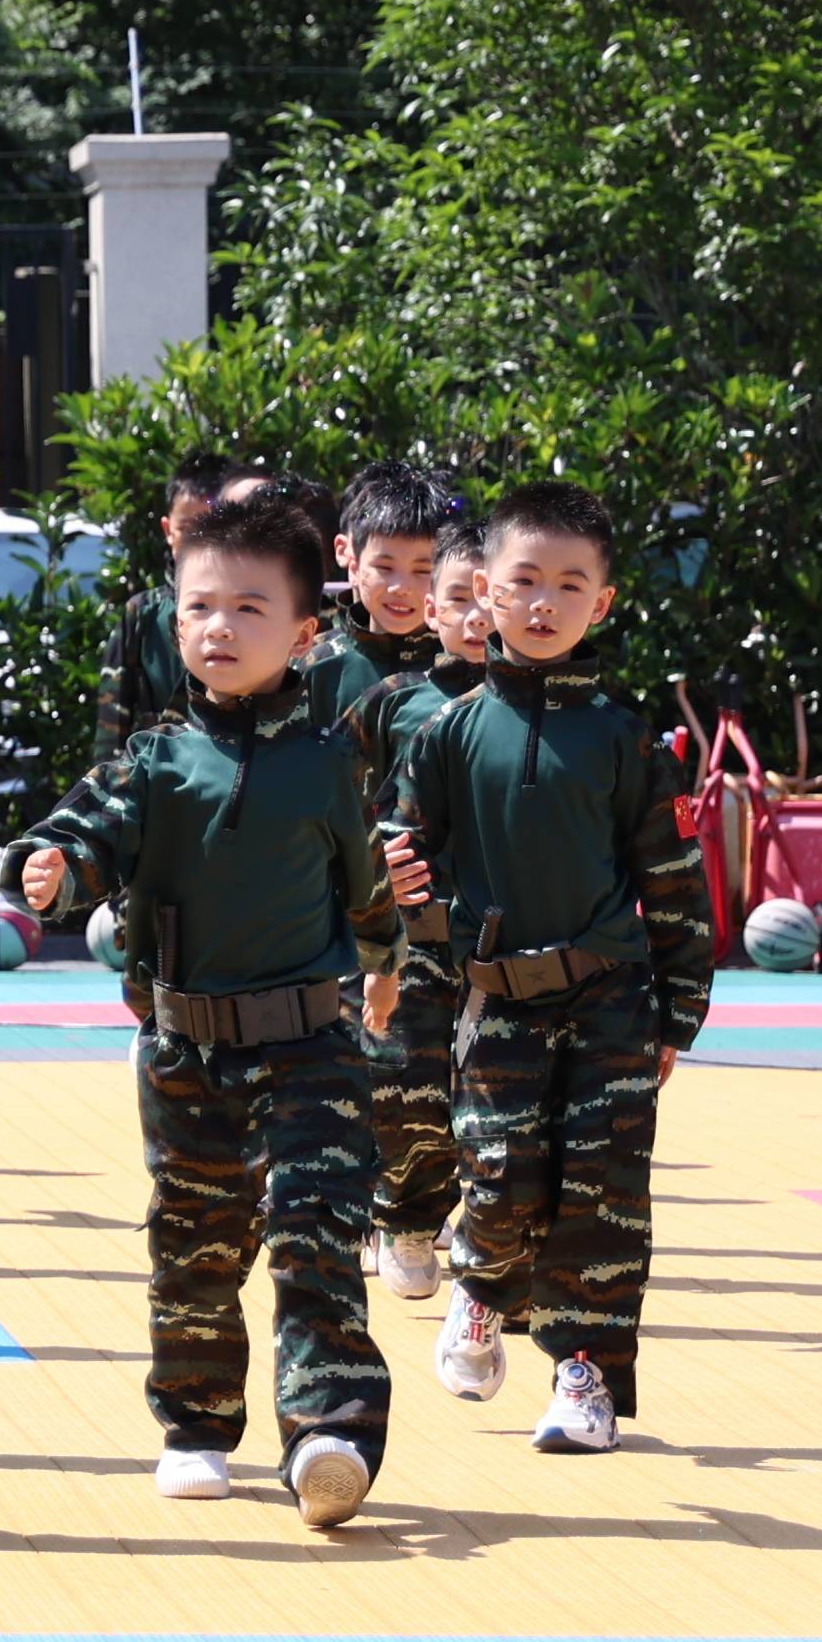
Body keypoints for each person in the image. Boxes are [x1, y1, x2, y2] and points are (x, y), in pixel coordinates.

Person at [9, 490, 411, 1527]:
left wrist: (385, 959)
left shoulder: (332, 761)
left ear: (305, 633)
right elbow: (82, 832)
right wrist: (53, 868)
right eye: (199, 610)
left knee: (315, 1229)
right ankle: (195, 1423)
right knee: (195, 1241)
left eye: (248, 609)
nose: (219, 629)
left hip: (311, 1046)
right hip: (184, 1053)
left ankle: (331, 1432)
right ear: (173, 623)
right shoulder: (150, 759)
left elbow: (367, 887)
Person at [388, 480, 714, 1455]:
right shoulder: (444, 735)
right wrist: (403, 905)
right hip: (496, 1005)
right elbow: (404, 860)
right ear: (483, 590)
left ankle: (585, 1378)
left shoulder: (625, 737)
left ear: (601, 604)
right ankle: (482, 1289)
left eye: (570, 585)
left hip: (613, 998)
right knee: (496, 1182)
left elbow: (674, 883)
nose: (544, 603)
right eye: (524, 579)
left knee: (603, 1194)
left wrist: (677, 1016)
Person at [344, 507, 490, 1299]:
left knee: (499, 1105)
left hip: (506, 944)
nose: (474, 616)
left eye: (487, 597)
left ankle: (493, 1241)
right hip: (410, 939)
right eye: (457, 598)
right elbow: (338, 799)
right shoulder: (392, 702)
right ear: (432, 611)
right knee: (406, 1096)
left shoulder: (536, 711)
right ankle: (404, 1217)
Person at [93, 451, 242, 758]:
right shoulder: (144, 613)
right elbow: (112, 723)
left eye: (213, 526)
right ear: (167, 531)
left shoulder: (255, 611)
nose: (201, 540)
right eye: (188, 528)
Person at [303, 462, 460, 721]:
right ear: (354, 564)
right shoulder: (316, 664)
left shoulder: (460, 666)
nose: (400, 588)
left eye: (422, 571)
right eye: (384, 567)